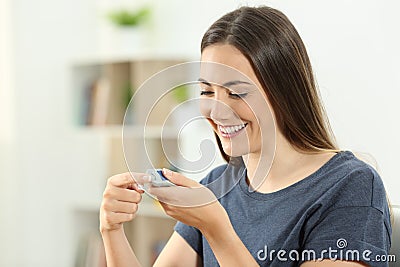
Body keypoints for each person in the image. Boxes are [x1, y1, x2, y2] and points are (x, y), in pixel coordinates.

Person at [99, 6, 391, 267]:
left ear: (284, 93)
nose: (217, 110)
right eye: (206, 91)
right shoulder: (217, 185)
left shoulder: (351, 186)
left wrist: (217, 230)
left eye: (237, 92)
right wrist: (112, 229)